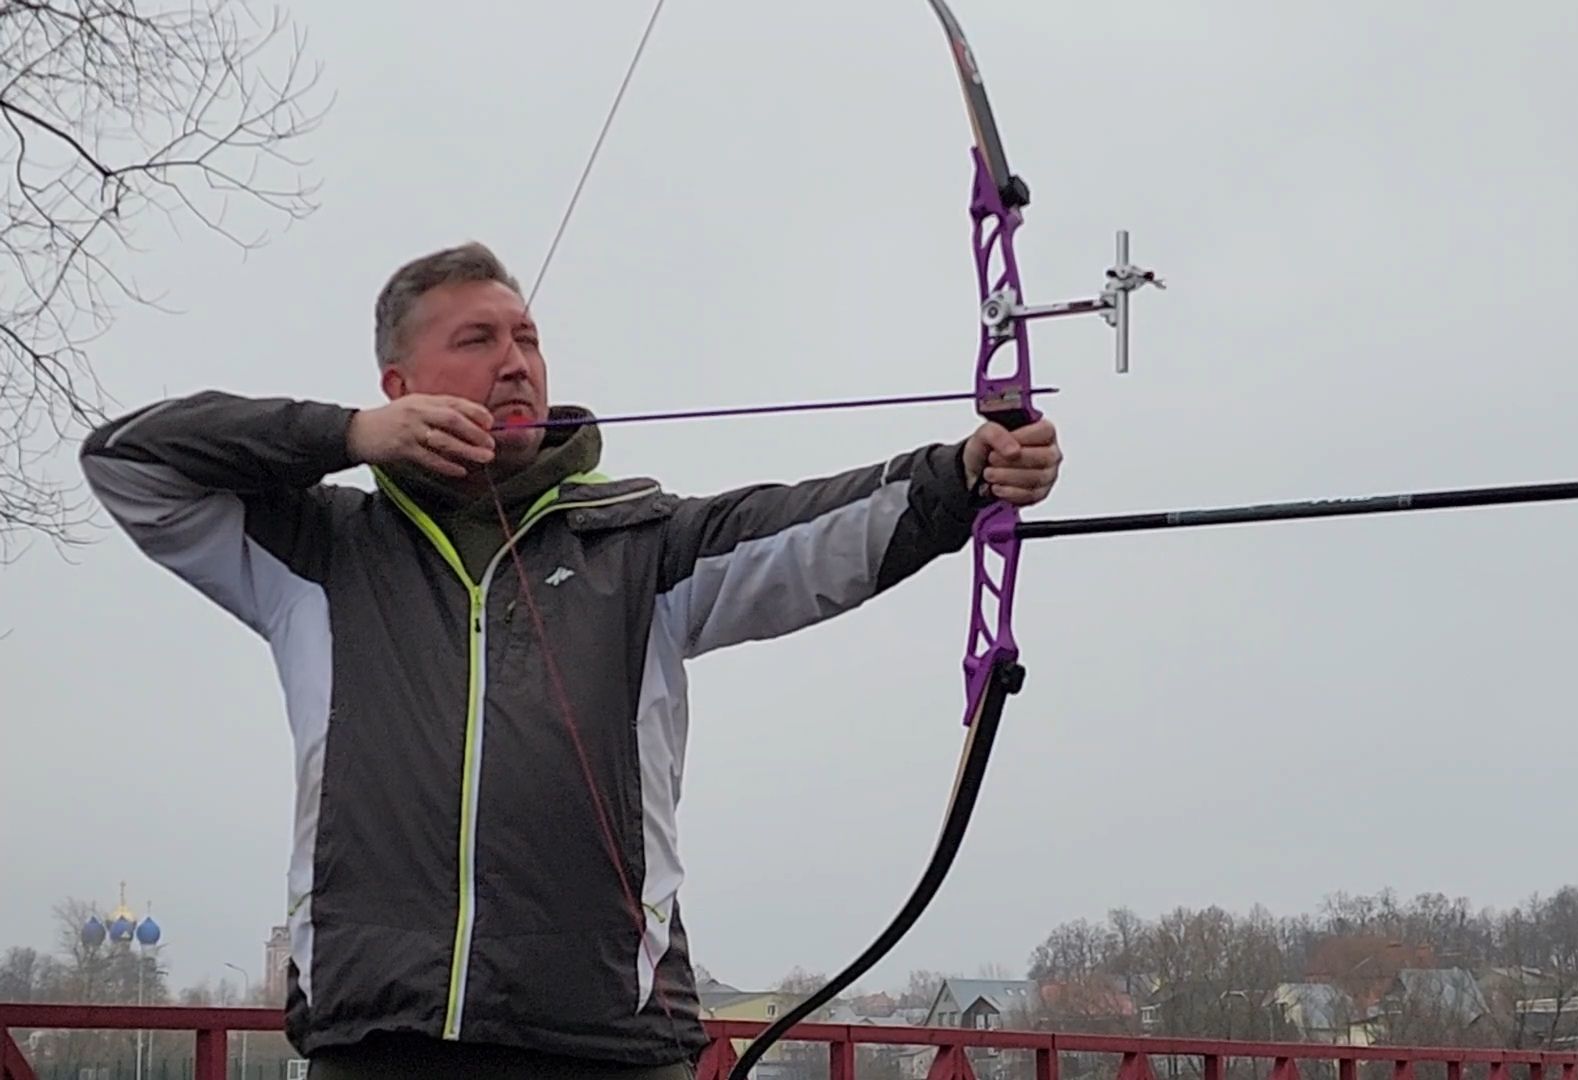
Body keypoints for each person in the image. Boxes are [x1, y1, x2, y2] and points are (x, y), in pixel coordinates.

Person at [78, 241, 1064, 1079]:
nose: (516, 362)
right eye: (477, 340)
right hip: (379, 1037)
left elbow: (806, 534)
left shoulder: (638, 544)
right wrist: (343, 436)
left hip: (607, 1041)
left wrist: (963, 474)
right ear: (398, 384)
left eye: (529, 340)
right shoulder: (321, 549)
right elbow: (128, 460)